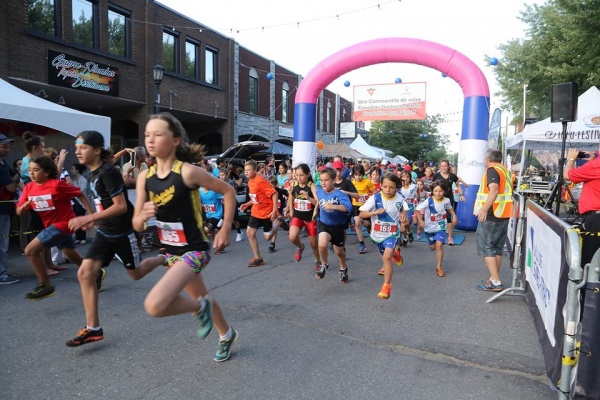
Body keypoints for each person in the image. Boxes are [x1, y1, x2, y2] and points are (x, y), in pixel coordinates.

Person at [133, 113, 238, 362]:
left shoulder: (188, 172)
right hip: (171, 252)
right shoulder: (144, 177)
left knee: (155, 305)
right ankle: (226, 334)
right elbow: (136, 224)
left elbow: (228, 191)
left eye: (158, 134)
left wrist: (225, 229)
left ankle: (201, 308)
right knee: (202, 296)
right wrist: (142, 215)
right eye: (147, 135)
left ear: (175, 140)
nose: (150, 140)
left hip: (194, 250)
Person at [66, 130, 168, 347]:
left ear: (96, 150)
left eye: (83, 147)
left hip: (123, 233)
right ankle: (93, 328)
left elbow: (120, 206)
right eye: (76, 148)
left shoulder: (108, 172)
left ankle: (163, 258)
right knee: (84, 273)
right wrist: (95, 219)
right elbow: (102, 202)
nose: (78, 151)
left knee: (136, 274)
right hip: (105, 232)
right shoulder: (93, 172)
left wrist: (90, 217)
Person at [16, 156, 94, 300]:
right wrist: (24, 207)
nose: (31, 173)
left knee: (30, 251)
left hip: (64, 224)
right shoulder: (29, 188)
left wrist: (90, 216)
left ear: (46, 172)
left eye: (36, 170)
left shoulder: (57, 185)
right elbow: (19, 211)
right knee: (73, 257)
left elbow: (80, 194)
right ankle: (96, 273)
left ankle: (46, 285)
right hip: (51, 226)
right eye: (30, 170)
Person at [359, 173, 407, 299]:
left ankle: (386, 286)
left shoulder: (399, 198)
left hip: (392, 233)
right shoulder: (375, 198)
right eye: (385, 186)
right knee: (388, 255)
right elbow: (362, 214)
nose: (388, 190)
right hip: (378, 234)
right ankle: (396, 254)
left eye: (391, 187)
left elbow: (402, 208)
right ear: (380, 186)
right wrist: (374, 212)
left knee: (386, 257)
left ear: (396, 187)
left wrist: (403, 215)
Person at [474, 149, 514, 292]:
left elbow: (494, 190)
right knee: (497, 248)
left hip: (492, 214)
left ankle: (496, 281)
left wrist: (484, 209)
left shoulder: (492, 170)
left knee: (487, 247)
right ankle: (493, 278)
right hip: (503, 213)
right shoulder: (505, 170)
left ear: (487, 159)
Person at [564, 148, 600, 306]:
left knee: (590, 264)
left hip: (596, 220)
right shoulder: (595, 164)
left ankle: (589, 307)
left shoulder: (596, 165)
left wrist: (571, 159)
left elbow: (567, 175)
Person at [315, 167, 352, 282]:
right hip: (324, 224)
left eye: (326, 180)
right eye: (321, 180)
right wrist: (315, 209)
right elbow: (318, 201)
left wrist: (333, 206)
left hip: (337, 227)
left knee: (339, 252)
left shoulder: (340, 194)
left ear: (334, 180)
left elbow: (348, 208)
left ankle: (343, 268)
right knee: (322, 245)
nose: (323, 183)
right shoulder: (319, 192)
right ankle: (324, 264)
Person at [239, 159, 278, 267]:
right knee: (250, 233)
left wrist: (275, 210)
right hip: (256, 211)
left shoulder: (260, 180)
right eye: (245, 170)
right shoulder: (250, 181)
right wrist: (247, 204)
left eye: (249, 170)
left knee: (267, 238)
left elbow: (274, 193)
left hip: (266, 211)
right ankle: (258, 258)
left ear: (255, 170)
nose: (246, 172)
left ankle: (278, 222)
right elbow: (257, 197)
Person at [416, 180, 457, 278]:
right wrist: (420, 221)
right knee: (432, 247)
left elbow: (449, 208)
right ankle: (432, 244)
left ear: (444, 191)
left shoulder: (446, 200)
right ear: (432, 191)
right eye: (436, 191)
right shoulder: (428, 201)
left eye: (441, 191)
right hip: (429, 228)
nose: (438, 193)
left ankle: (439, 267)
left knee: (439, 245)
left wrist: (454, 215)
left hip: (440, 226)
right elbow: (417, 210)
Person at [288, 163, 319, 268]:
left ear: (308, 174)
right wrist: (291, 210)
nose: (299, 178)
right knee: (292, 237)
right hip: (298, 216)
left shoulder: (311, 186)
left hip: (310, 218)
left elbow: (317, 202)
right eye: (297, 175)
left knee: (314, 244)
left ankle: (317, 261)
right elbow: (291, 196)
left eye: (301, 175)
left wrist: (308, 198)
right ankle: (300, 247)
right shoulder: (294, 184)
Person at [0, 133, 20, 284]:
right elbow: (11, 187)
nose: (7, 149)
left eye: (8, 146)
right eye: (4, 146)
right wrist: (18, 175)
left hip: (5, 208)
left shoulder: (3, 163)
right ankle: (2, 274)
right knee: (2, 242)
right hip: (1, 209)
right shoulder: (1, 167)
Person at [433, 160, 464, 245]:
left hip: (449, 199)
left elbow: (458, 185)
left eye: (445, 166)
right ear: (440, 167)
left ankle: (450, 237)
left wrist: (461, 194)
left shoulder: (452, 176)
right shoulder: (436, 176)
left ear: (448, 167)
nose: (443, 168)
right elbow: (432, 187)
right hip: (438, 199)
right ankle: (438, 235)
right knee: (437, 216)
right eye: (442, 166)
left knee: (448, 217)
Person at [351, 164, 376, 254]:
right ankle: (361, 243)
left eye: (360, 175)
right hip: (355, 206)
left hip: (366, 206)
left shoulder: (367, 182)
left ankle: (369, 227)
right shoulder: (352, 183)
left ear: (363, 174)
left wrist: (370, 197)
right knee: (357, 223)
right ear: (353, 175)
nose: (358, 177)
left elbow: (375, 192)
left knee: (366, 223)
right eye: (356, 175)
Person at [218, 169, 244, 242]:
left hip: (232, 202)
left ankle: (239, 232)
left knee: (234, 220)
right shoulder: (219, 182)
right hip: (224, 202)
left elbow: (233, 192)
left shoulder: (230, 182)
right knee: (225, 219)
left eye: (223, 175)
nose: (221, 177)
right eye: (220, 175)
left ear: (227, 175)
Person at [70, 163, 89, 244]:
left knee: (82, 219)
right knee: (76, 219)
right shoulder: (73, 180)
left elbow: (80, 191)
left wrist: (73, 192)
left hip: (81, 203)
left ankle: (83, 238)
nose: (71, 171)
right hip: (75, 202)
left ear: (77, 170)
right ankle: (78, 237)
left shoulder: (83, 180)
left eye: (73, 169)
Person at [398, 170, 417, 245]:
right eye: (403, 177)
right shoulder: (398, 188)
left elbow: (418, 189)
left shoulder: (413, 186)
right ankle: (406, 237)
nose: (405, 178)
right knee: (402, 225)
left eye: (407, 177)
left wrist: (418, 197)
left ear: (410, 178)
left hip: (409, 207)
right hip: (400, 207)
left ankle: (408, 233)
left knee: (406, 222)